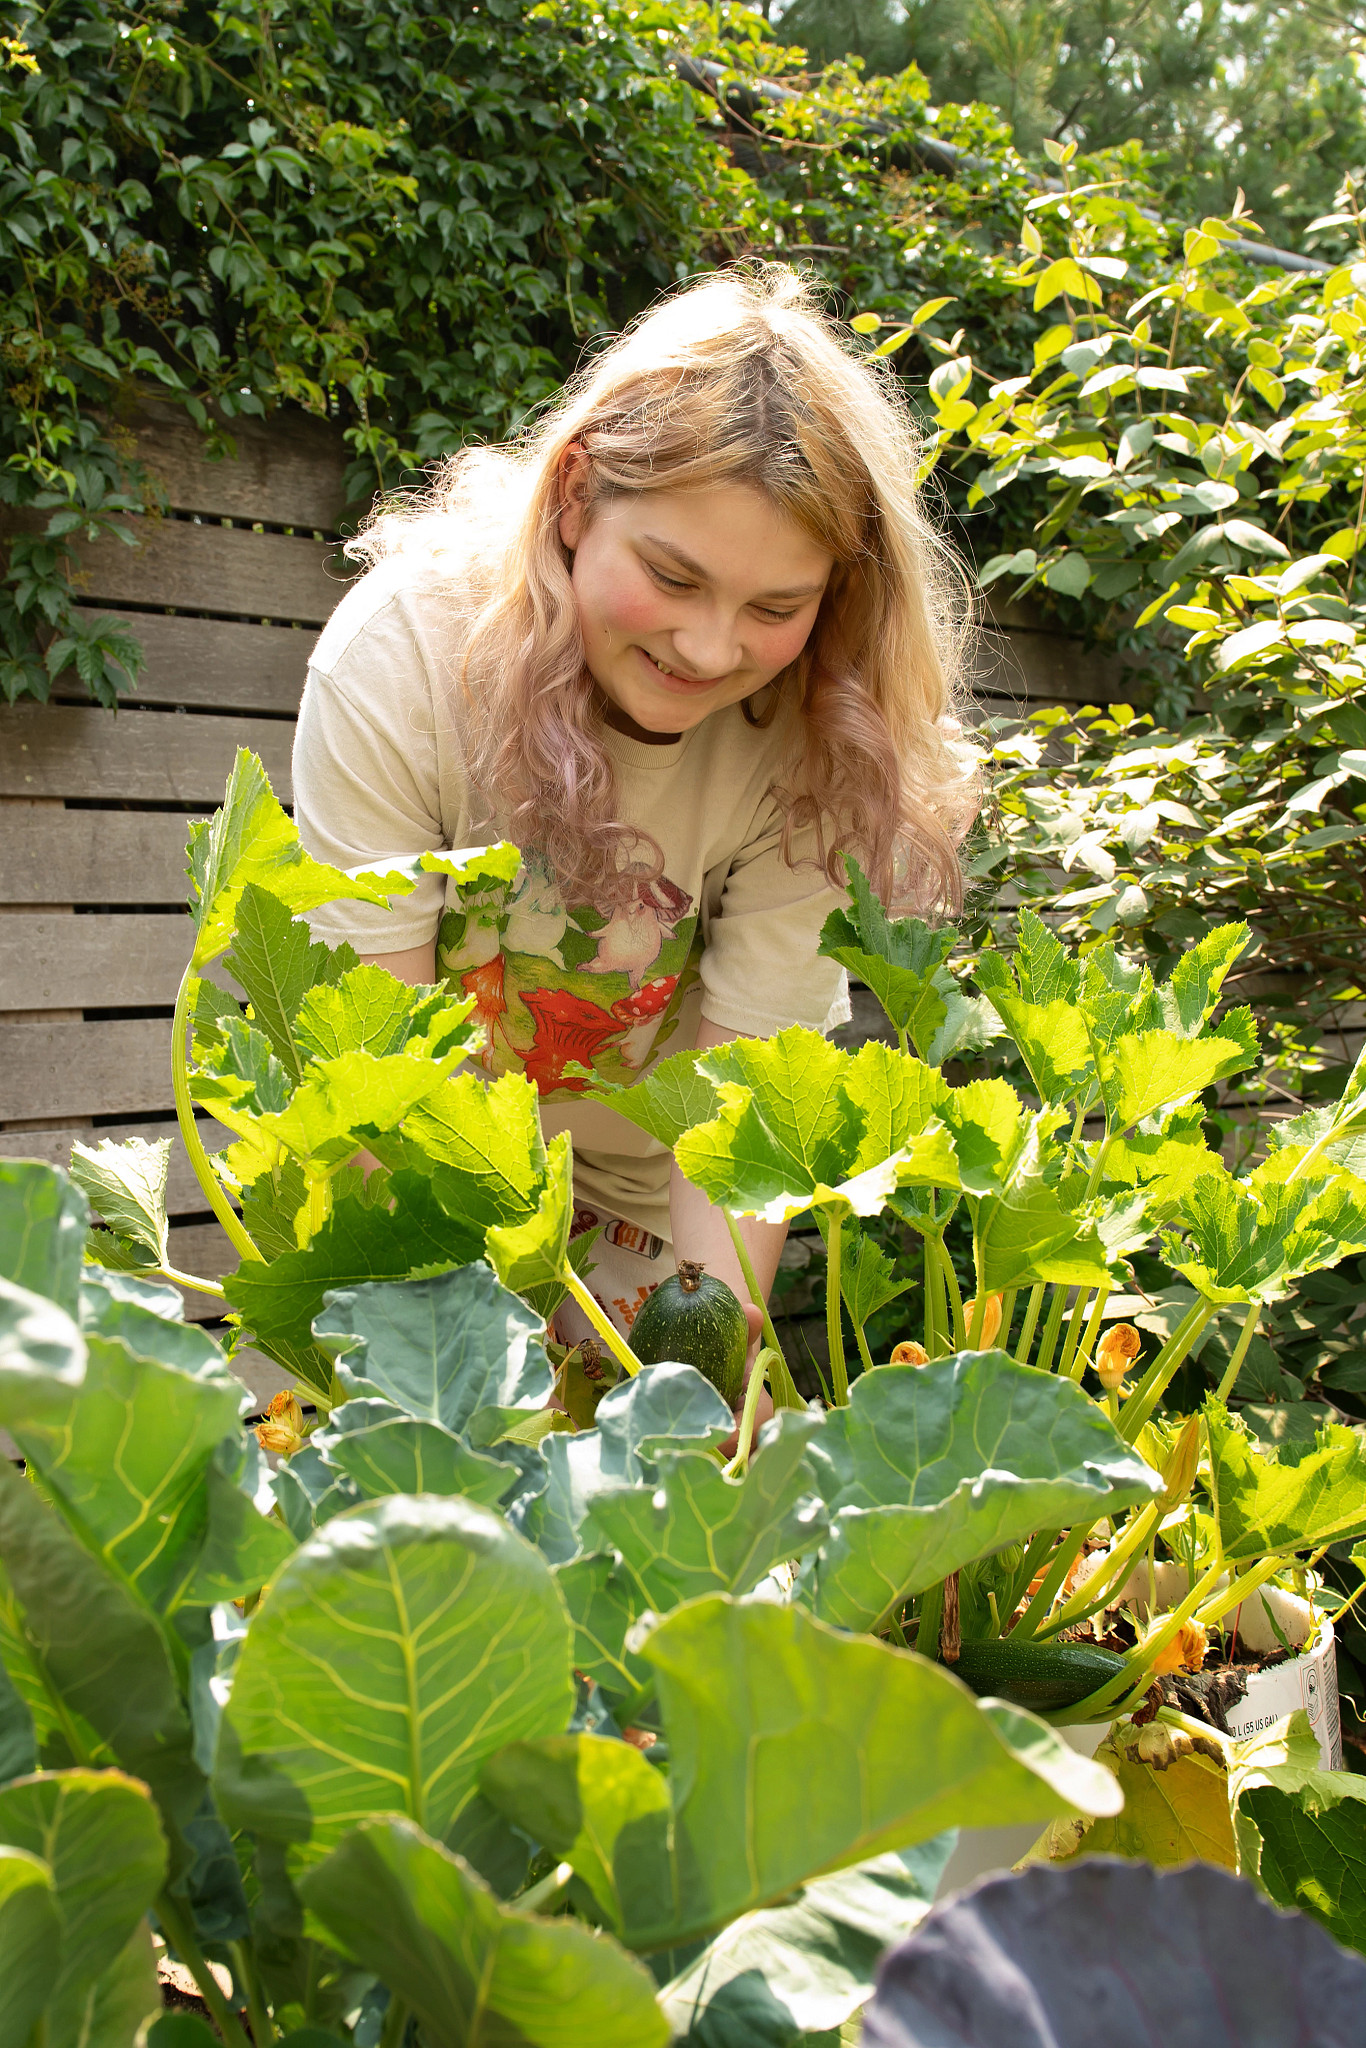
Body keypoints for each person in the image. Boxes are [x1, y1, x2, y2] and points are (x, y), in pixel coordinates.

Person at [292, 264, 975, 1401]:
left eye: (775, 607)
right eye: (671, 577)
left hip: (641, 1203)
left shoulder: (821, 737)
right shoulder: (405, 657)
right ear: (573, 496)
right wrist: (464, 1369)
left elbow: (742, 1101)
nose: (709, 648)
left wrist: (699, 1388)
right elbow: (372, 1076)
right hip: (401, 1164)